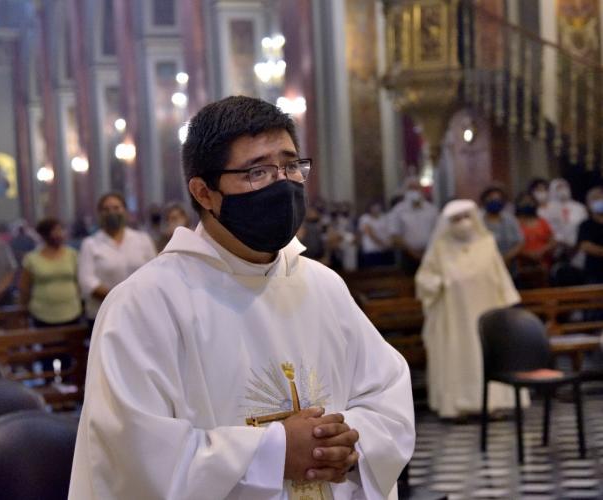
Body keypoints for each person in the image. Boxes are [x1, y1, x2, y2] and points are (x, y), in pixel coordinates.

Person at [70, 96, 414, 499]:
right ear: (203, 192)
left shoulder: (325, 287)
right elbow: (137, 457)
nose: (282, 183)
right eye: (257, 172)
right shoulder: (144, 305)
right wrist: (276, 451)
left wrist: (347, 441)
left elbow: (386, 394)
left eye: (291, 166)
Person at [415, 200, 524, 419]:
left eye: (466, 217)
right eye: (456, 219)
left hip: (487, 312)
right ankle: (457, 406)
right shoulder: (440, 247)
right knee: (460, 357)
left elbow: (501, 276)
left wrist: (509, 306)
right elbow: (424, 280)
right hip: (454, 318)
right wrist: (440, 282)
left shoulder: (487, 243)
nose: (462, 223)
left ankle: (493, 403)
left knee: (487, 354)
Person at [77, 193, 157, 325]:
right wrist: (118, 298)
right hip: (104, 314)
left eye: (116, 208)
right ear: (100, 214)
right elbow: (87, 282)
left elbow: (154, 272)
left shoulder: (142, 239)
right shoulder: (90, 244)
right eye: (106, 209)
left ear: (125, 211)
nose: (111, 212)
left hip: (140, 311)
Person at [18, 218, 82, 327]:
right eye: (55, 231)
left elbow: (79, 282)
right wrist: (23, 311)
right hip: (42, 313)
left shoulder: (73, 255)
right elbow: (24, 287)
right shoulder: (32, 258)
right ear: (44, 234)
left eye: (60, 230)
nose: (59, 234)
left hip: (72, 311)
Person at [389, 178, 438, 273]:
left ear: (421, 190)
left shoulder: (432, 210)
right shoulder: (398, 211)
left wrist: (426, 251)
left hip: (429, 254)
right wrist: (413, 252)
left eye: (417, 188)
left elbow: (437, 232)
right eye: (411, 188)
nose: (414, 191)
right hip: (407, 256)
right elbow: (394, 235)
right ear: (405, 191)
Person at [515, 192, 556, 281]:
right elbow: (512, 244)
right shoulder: (515, 223)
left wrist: (542, 251)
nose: (527, 204)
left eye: (530, 201)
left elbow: (553, 241)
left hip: (543, 263)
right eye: (524, 202)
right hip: (522, 265)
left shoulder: (542, 221)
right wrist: (528, 254)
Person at [479, 186, 524, 265]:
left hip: (509, 263)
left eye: (497, 199)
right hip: (484, 263)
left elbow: (520, 242)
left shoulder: (510, 219)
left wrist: (506, 257)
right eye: (491, 198)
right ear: (484, 200)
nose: (494, 201)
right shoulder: (478, 221)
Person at [544, 178, 588, 253]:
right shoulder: (547, 208)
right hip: (555, 247)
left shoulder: (579, 207)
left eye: (565, 187)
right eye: (559, 187)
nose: (563, 189)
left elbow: (585, 226)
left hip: (578, 247)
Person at [577, 186, 603, 284]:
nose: (600, 201)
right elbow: (585, 246)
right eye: (596, 199)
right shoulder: (585, 225)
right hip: (595, 272)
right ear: (588, 204)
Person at [358, 201, 394, 268]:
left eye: (378, 207)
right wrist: (382, 243)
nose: (376, 209)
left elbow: (389, 231)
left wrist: (389, 244)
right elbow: (369, 233)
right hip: (371, 250)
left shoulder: (385, 217)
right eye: (374, 207)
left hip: (386, 249)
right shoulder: (365, 218)